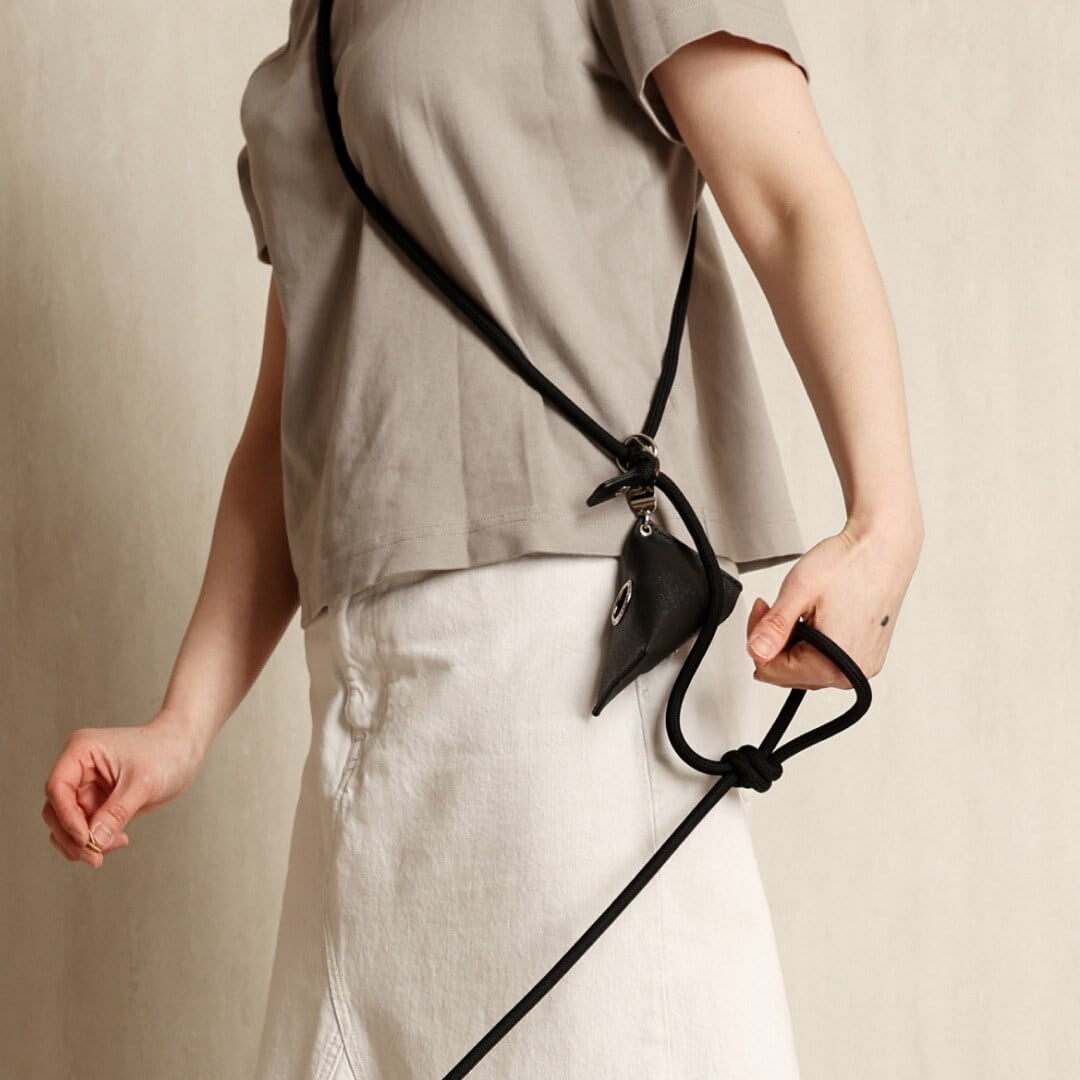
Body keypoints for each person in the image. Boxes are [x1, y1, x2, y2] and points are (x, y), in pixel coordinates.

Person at [43, 1, 924, 1076]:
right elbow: (292, 422)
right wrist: (182, 725)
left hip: (565, 662)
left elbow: (787, 196)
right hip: (360, 706)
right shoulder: (317, 24)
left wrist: (884, 520)